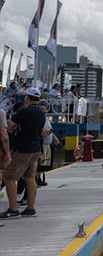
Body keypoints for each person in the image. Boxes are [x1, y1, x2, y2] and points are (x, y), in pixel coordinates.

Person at [0, 88, 46, 218]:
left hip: (23, 149)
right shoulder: (41, 113)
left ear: (28, 97)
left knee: (8, 177)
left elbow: (10, 125)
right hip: (35, 148)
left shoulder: (24, 111)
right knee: (30, 177)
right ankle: (30, 208)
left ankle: (13, 210)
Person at [36, 104, 59, 188]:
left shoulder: (46, 119)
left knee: (45, 163)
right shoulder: (39, 120)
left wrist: (54, 137)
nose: (45, 113)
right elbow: (43, 133)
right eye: (43, 112)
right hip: (42, 144)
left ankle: (40, 179)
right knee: (40, 163)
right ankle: (37, 179)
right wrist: (50, 132)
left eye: (45, 112)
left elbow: (49, 130)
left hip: (47, 144)